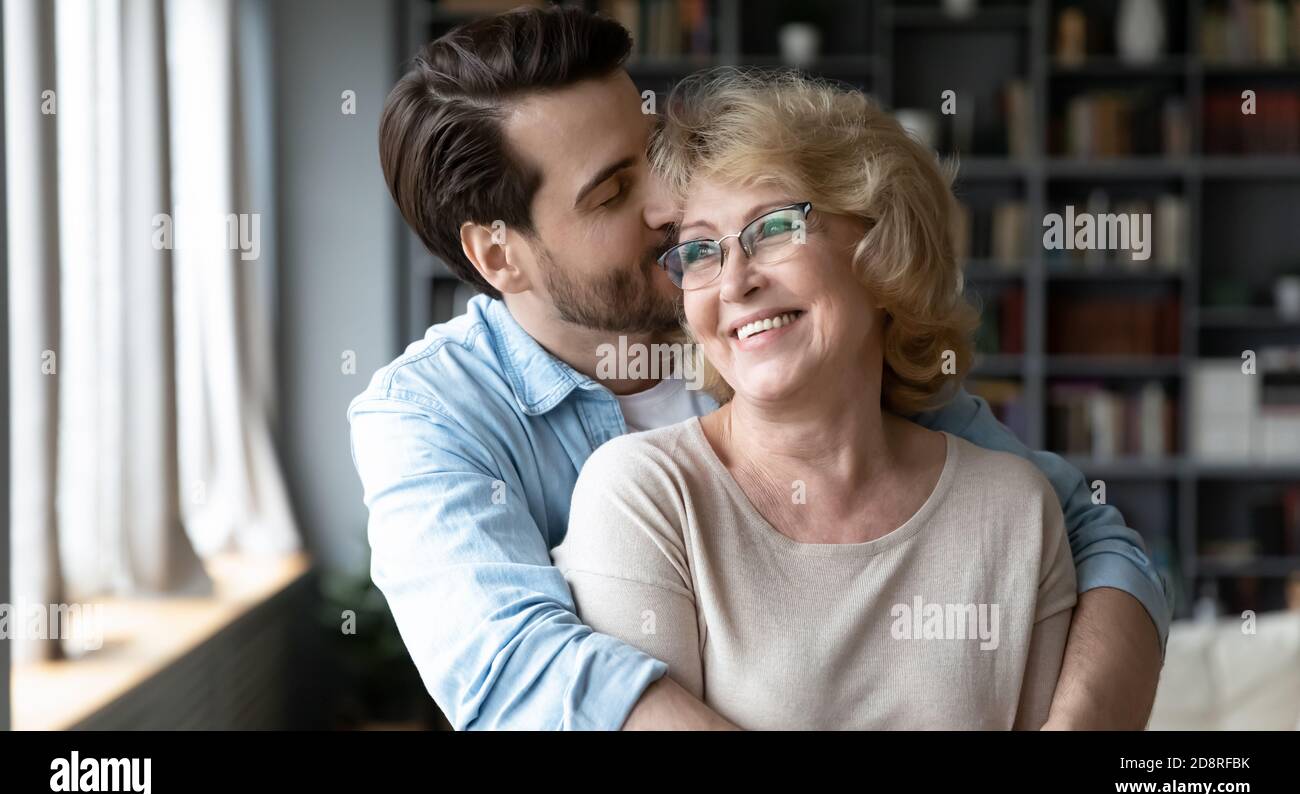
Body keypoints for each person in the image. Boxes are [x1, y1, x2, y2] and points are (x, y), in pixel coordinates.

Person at [349, 5, 1169, 730]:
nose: (671, 209)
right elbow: (522, 675)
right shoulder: (427, 418)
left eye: (651, 156)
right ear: (500, 254)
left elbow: (1083, 536)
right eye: (611, 193)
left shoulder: (773, 316)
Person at [552, 67, 1075, 728]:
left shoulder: (1015, 509)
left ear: (882, 245)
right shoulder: (647, 495)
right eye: (700, 250)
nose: (735, 281)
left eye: (772, 228)